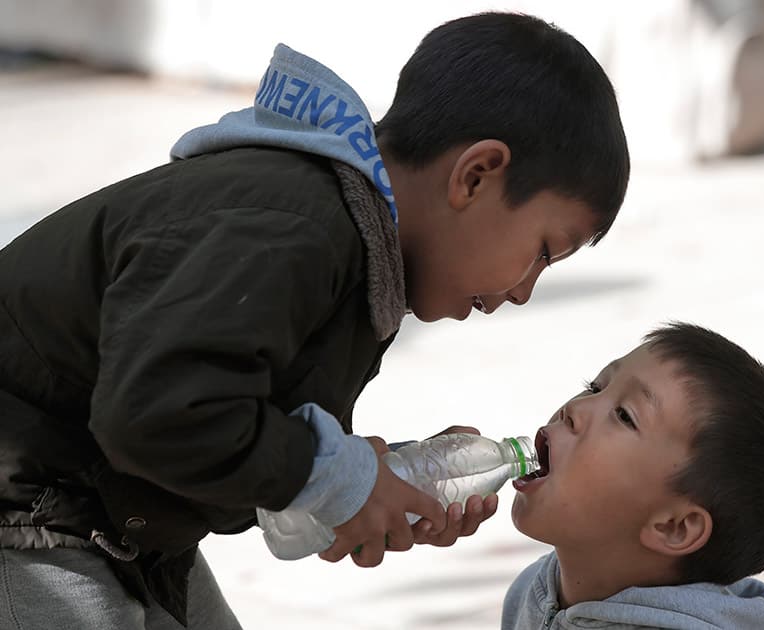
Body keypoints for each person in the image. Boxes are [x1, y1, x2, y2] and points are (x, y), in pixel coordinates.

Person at [0, 12, 629, 630]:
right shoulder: (290, 226)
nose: (524, 292)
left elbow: (235, 424)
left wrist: (372, 484)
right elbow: (158, 412)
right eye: (544, 251)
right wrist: (335, 477)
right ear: (476, 175)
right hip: (29, 515)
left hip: (117, 519)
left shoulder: (355, 253)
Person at [503, 322, 764, 629]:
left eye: (625, 415)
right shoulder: (534, 591)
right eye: (595, 386)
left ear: (673, 526)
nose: (576, 409)